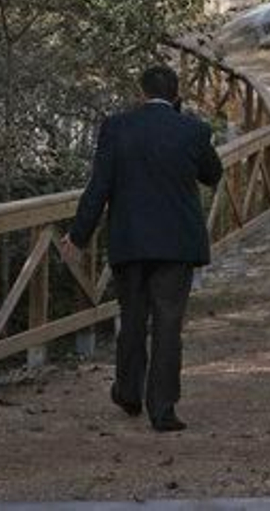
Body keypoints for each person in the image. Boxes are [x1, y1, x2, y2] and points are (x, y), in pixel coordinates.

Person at [63, 64, 223, 432]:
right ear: (177, 95)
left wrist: (78, 235)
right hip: (177, 243)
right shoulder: (193, 131)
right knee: (168, 325)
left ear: (140, 93)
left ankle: (129, 392)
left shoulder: (117, 128)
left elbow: (98, 187)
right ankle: (163, 409)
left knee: (132, 319)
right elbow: (212, 175)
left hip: (130, 239)